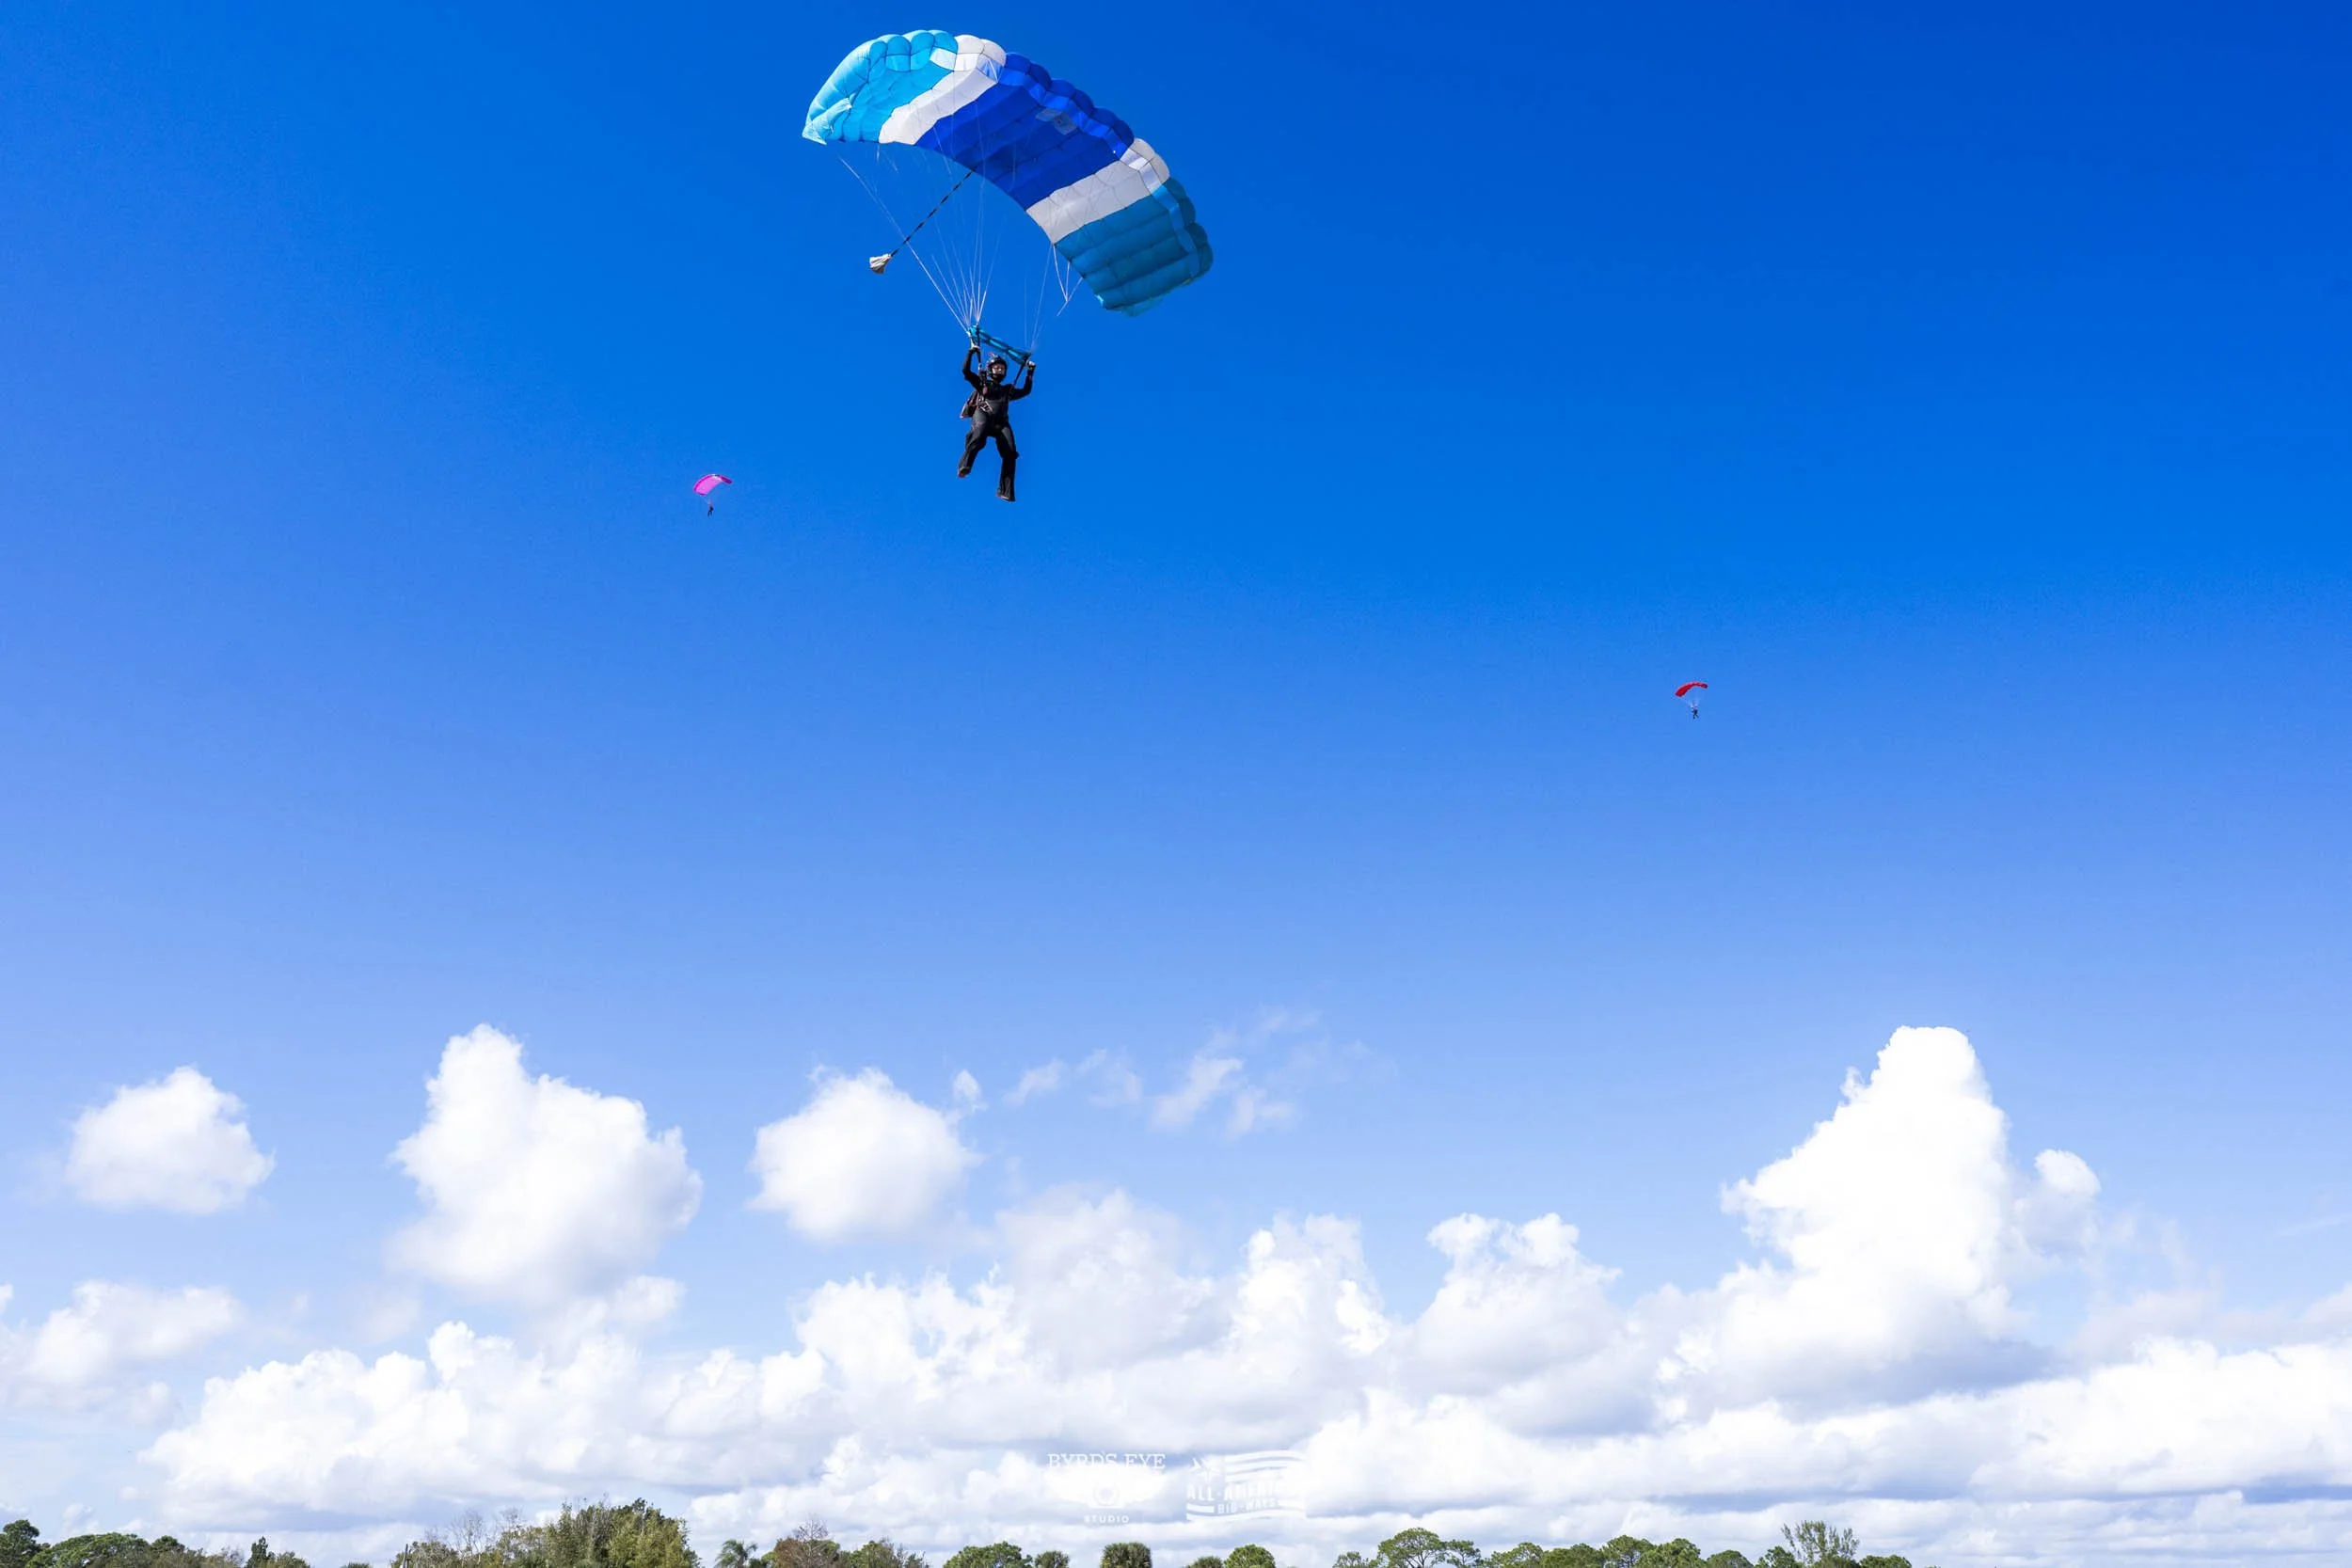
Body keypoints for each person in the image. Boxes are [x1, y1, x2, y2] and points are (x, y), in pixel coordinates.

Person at [957, 347, 1034, 501]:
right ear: (990, 369)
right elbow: (965, 371)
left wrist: (1030, 372)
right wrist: (971, 352)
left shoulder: (1007, 390)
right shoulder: (982, 383)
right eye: (996, 367)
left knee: (1011, 454)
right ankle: (964, 466)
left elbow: (1026, 391)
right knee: (979, 436)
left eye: (1002, 368)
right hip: (984, 414)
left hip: (1001, 423)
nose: (999, 370)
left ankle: (1005, 490)